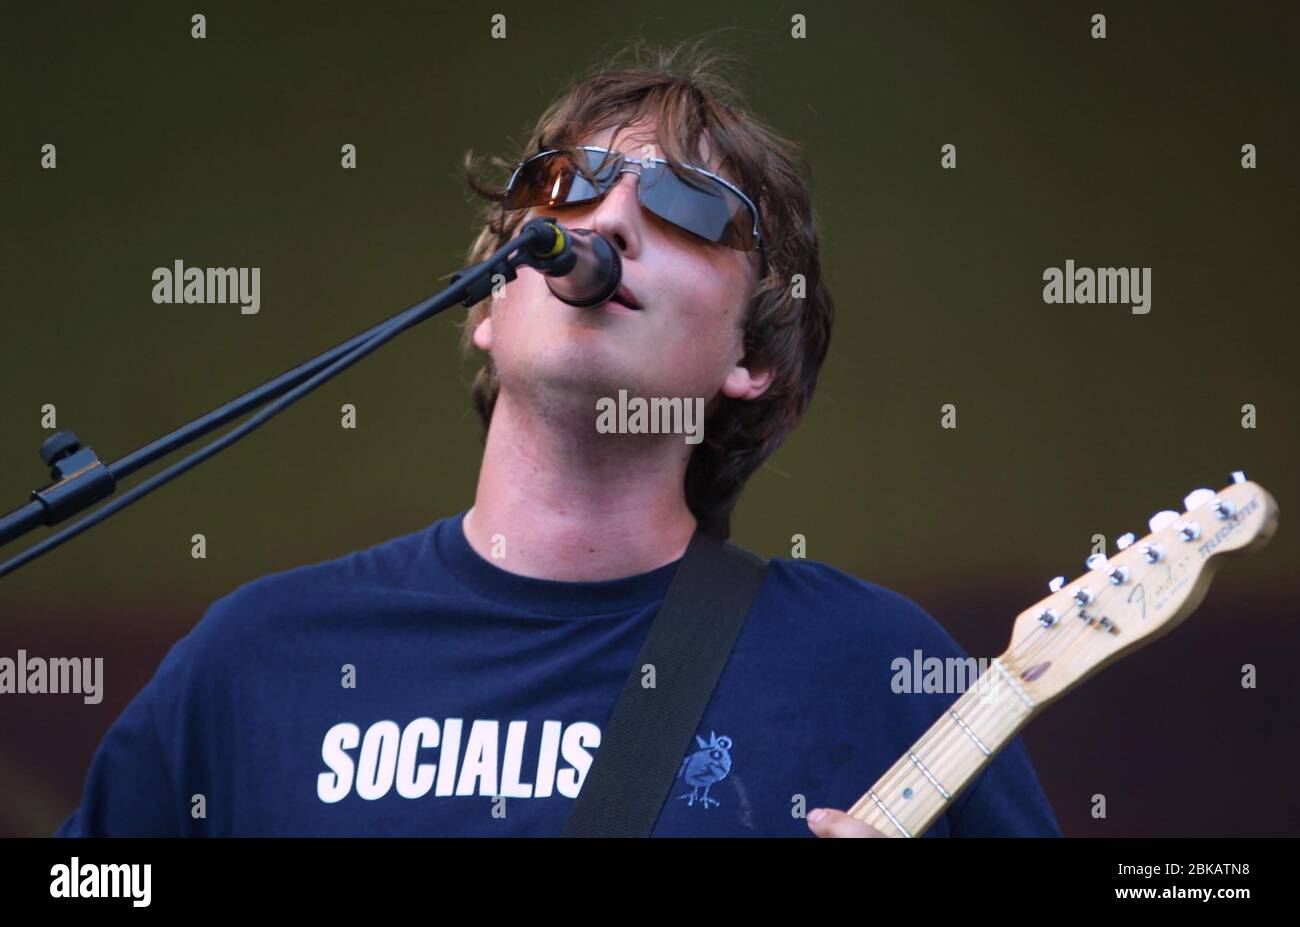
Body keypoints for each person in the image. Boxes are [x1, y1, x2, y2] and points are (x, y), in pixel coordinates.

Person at [56, 40, 1060, 838]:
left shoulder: (875, 669)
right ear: (492, 300)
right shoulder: (256, 658)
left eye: (689, 204)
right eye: (569, 182)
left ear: (749, 356)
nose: (611, 216)